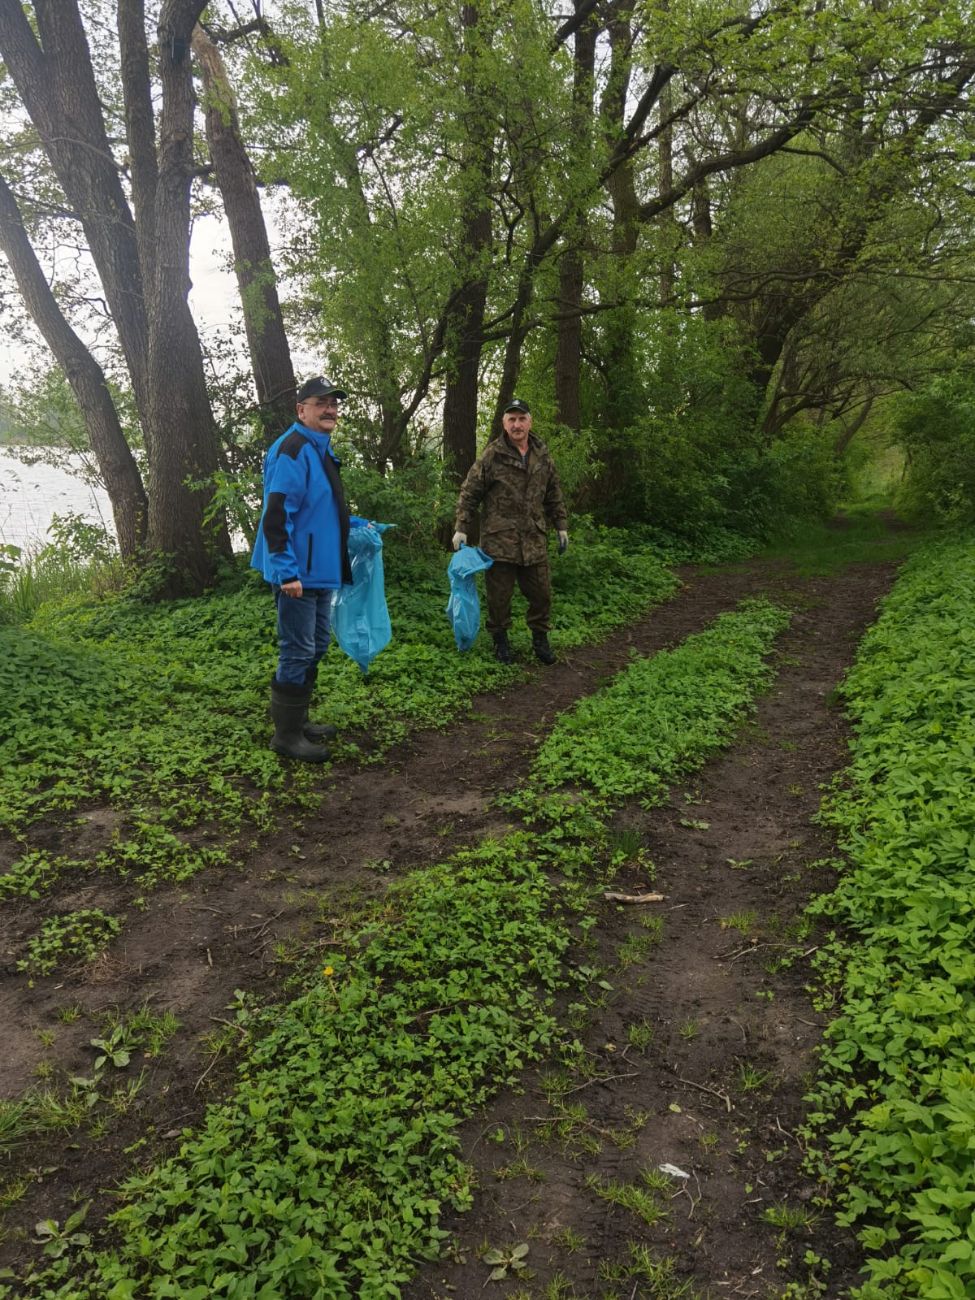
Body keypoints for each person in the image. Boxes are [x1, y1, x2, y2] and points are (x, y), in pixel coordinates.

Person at [251, 376, 370, 761]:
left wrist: (357, 525)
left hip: (318, 569)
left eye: (333, 403)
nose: (330, 409)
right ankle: (285, 736)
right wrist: (286, 572)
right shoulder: (294, 449)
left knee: (315, 645)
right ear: (301, 410)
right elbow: (276, 516)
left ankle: (298, 721)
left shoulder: (320, 448)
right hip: (297, 573)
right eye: (320, 403)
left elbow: (317, 510)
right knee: (298, 648)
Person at [452, 398, 569, 664]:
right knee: (499, 598)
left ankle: (540, 640)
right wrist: (461, 527)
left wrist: (561, 525)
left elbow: (554, 494)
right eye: (512, 420)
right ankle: (501, 642)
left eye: (522, 418)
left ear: (530, 421)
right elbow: (470, 491)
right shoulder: (492, 454)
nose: (517, 424)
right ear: (504, 424)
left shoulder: (542, 454)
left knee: (541, 594)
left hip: (533, 540)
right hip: (499, 540)